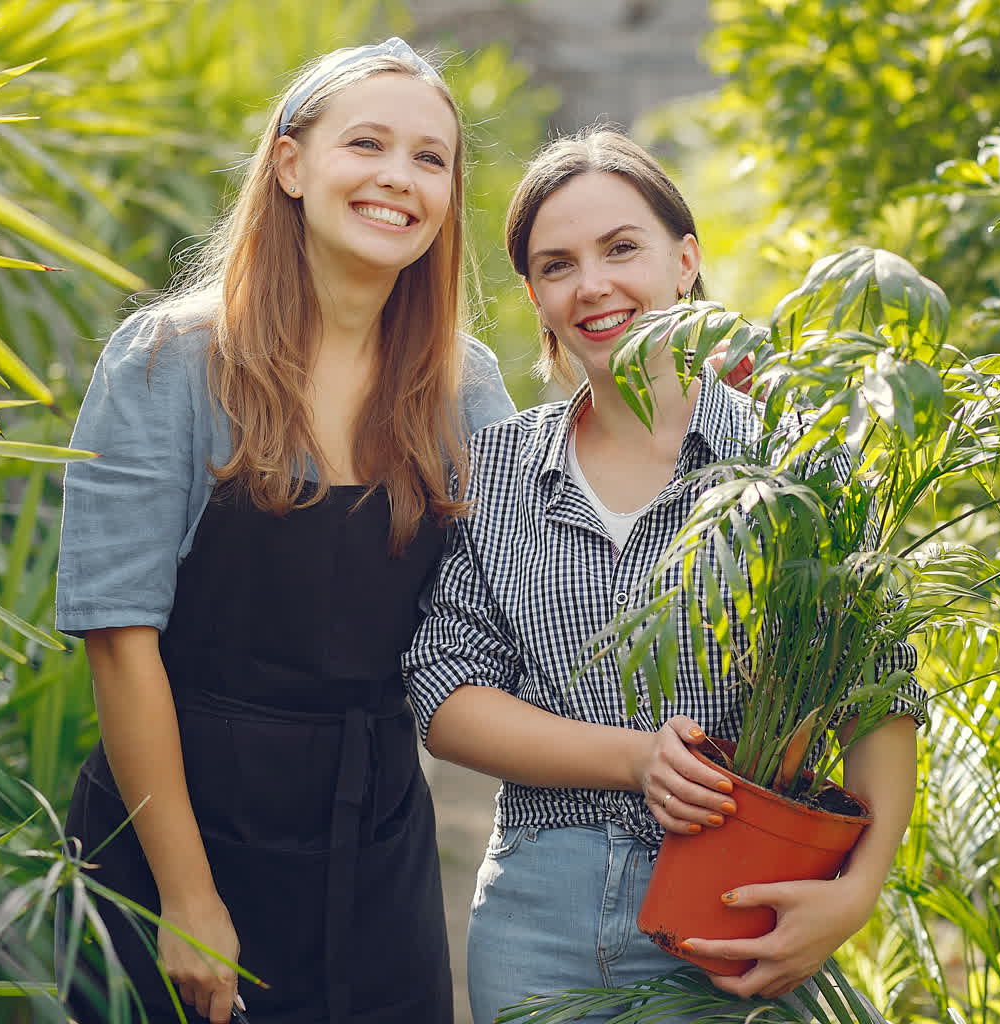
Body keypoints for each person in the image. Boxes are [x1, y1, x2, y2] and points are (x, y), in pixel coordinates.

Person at [403, 128, 927, 1024]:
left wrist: (856, 894)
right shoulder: (495, 471)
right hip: (539, 915)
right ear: (535, 296)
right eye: (557, 264)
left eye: (621, 249)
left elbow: (878, 692)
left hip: (743, 909)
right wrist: (634, 758)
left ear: (685, 262)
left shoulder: (800, 461)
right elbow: (447, 695)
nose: (594, 286)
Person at [54, 38, 515, 1024]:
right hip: (178, 829)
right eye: (368, 144)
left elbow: (523, 595)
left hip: (378, 842)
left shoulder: (465, 388)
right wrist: (184, 898)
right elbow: (118, 641)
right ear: (292, 164)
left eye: (430, 159)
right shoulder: (165, 364)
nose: (400, 177)